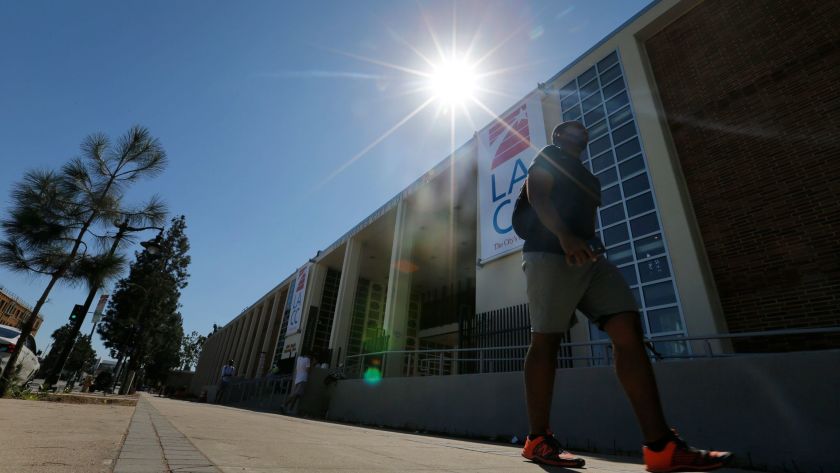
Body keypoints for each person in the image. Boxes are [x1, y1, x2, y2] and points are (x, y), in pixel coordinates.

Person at [517, 121, 731, 471]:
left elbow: (586, 219)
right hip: (549, 250)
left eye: (582, 130)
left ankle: (661, 447)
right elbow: (537, 194)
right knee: (547, 340)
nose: (578, 132)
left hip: (588, 257)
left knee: (627, 326)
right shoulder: (550, 155)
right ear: (557, 137)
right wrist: (564, 236)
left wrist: (586, 242)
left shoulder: (588, 177)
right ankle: (537, 439)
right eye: (570, 128)